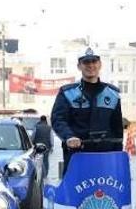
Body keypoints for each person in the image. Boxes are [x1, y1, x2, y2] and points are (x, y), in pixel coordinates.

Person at [51, 47, 123, 176]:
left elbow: (117, 129)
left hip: (105, 158)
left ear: (100, 64)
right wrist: (69, 137)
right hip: (77, 155)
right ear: (79, 66)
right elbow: (58, 119)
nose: (90, 65)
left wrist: (118, 159)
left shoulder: (112, 94)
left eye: (94, 61)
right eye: (86, 62)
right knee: (75, 194)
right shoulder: (68, 93)